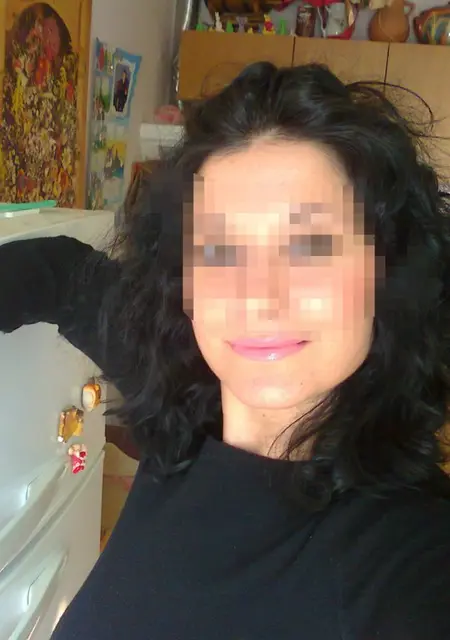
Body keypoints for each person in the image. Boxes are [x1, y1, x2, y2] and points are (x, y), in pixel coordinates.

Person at [2, 62, 450, 639]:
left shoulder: (405, 563)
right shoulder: (182, 391)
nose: (258, 297)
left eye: (311, 245)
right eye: (218, 249)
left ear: (386, 272)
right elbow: (62, 274)